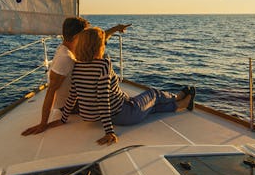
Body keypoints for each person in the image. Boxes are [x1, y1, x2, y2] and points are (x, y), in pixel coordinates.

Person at [45, 27, 196, 145]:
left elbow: (73, 95)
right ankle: (177, 97)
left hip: (107, 114)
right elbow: (103, 98)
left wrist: (63, 119)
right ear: (98, 46)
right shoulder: (104, 64)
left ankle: (181, 104)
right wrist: (109, 131)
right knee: (153, 94)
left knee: (152, 109)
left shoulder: (77, 66)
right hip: (123, 113)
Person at [22, 18, 131, 136]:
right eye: (85, 34)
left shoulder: (70, 47)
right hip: (72, 106)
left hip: (78, 98)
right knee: (103, 62)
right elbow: (51, 89)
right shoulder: (65, 58)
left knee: (99, 57)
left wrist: (116, 28)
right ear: (77, 36)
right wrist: (43, 123)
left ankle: (123, 99)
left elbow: (96, 39)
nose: (87, 37)